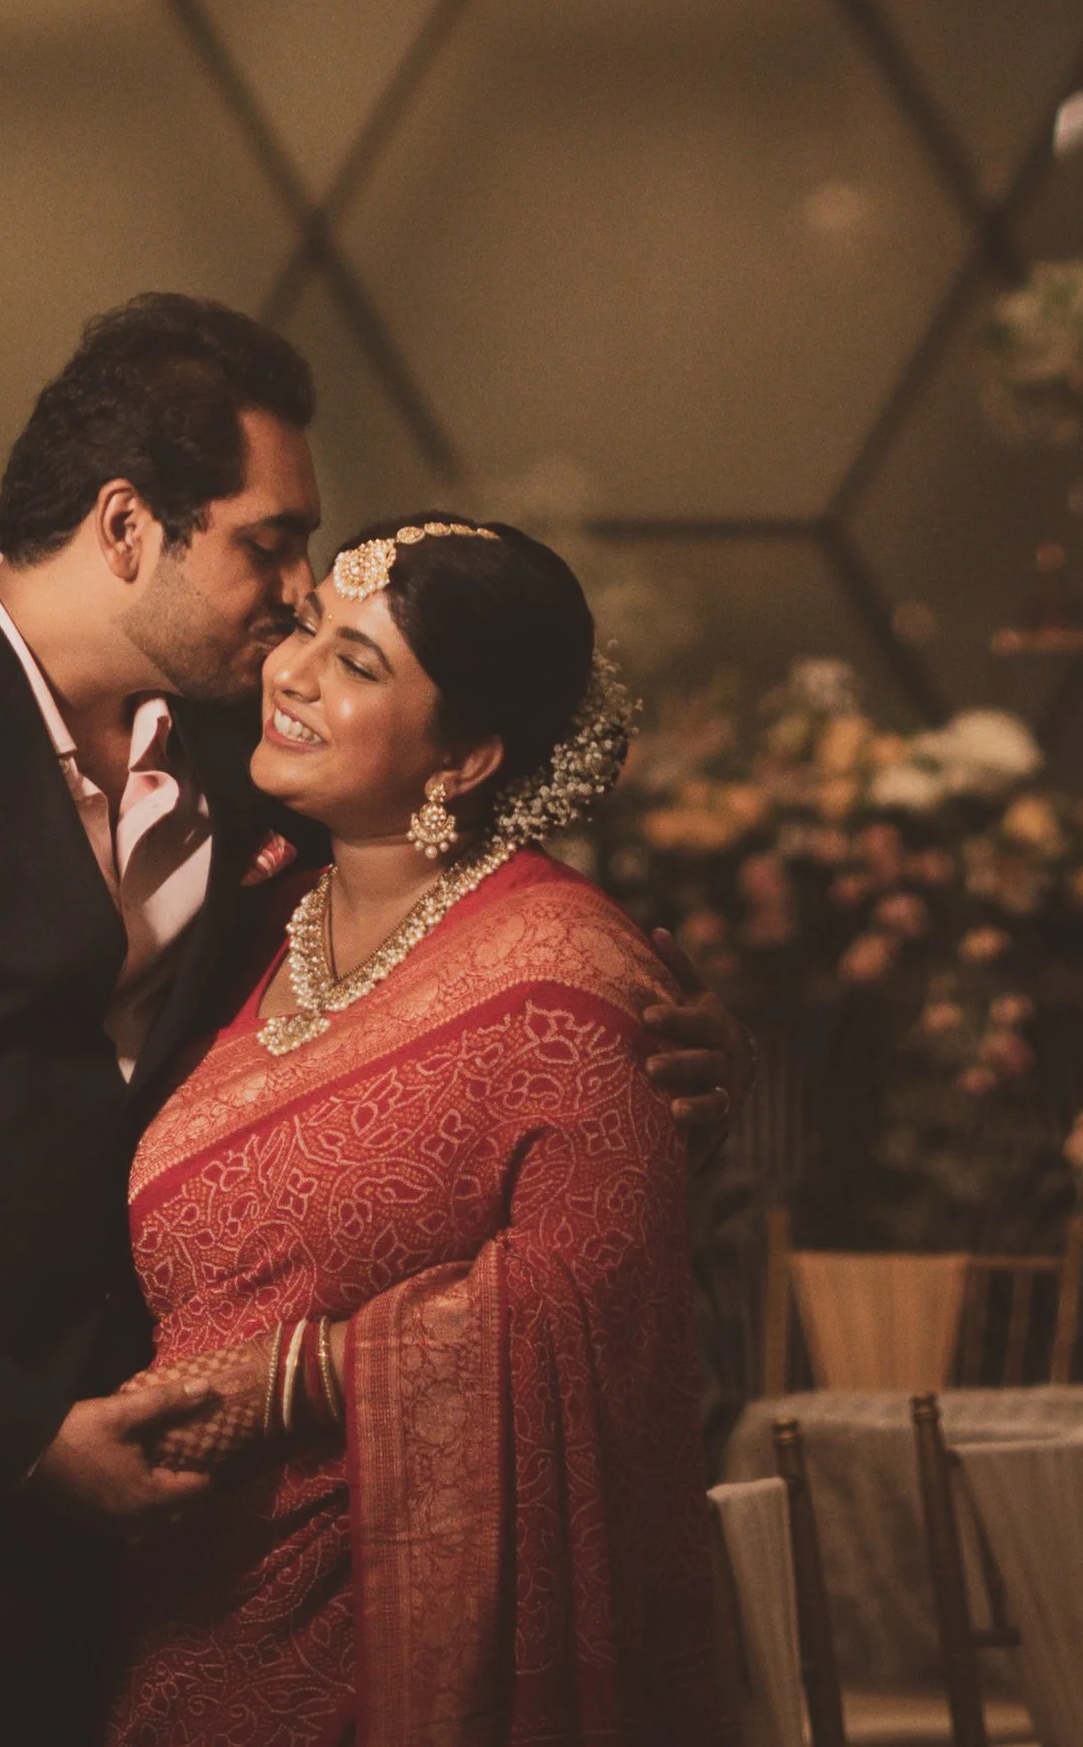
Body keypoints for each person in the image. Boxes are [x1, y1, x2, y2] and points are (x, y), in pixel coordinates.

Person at [0, 304, 744, 1747]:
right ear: (124, 522)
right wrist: (25, 1439)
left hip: (124, 1580)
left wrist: (681, 1052)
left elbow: (445, 942)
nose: (295, 603)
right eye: (268, 545)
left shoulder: (252, 759)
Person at [108, 517, 730, 1747]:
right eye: (305, 629)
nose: (290, 672)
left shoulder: (564, 979)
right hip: (178, 1610)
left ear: (467, 756)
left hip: (403, 1646)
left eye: (359, 663)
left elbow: (589, 1306)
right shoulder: (251, 913)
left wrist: (287, 1384)